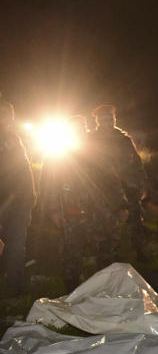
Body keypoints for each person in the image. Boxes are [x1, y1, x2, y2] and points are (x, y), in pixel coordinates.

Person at [33, 115, 106, 290]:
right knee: (71, 256)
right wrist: (54, 211)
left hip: (96, 212)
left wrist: (119, 205)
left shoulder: (96, 152)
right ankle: (72, 292)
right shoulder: (56, 155)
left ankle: (102, 290)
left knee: (103, 253)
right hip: (69, 214)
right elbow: (48, 185)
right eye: (74, 128)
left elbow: (109, 180)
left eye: (81, 128)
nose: (78, 131)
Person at [88, 104, 148, 262]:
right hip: (105, 192)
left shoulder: (123, 139)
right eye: (105, 119)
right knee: (107, 227)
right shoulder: (91, 140)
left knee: (136, 222)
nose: (109, 122)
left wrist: (142, 184)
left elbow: (136, 162)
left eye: (112, 118)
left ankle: (139, 252)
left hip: (130, 188)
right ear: (98, 121)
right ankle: (106, 260)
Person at [0, 100, 36, 296]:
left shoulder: (14, 139)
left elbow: (24, 170)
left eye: (6, 114)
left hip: (17, 204)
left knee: (15, 246)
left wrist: (30, 198)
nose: (3, 118)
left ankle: (14, 290)